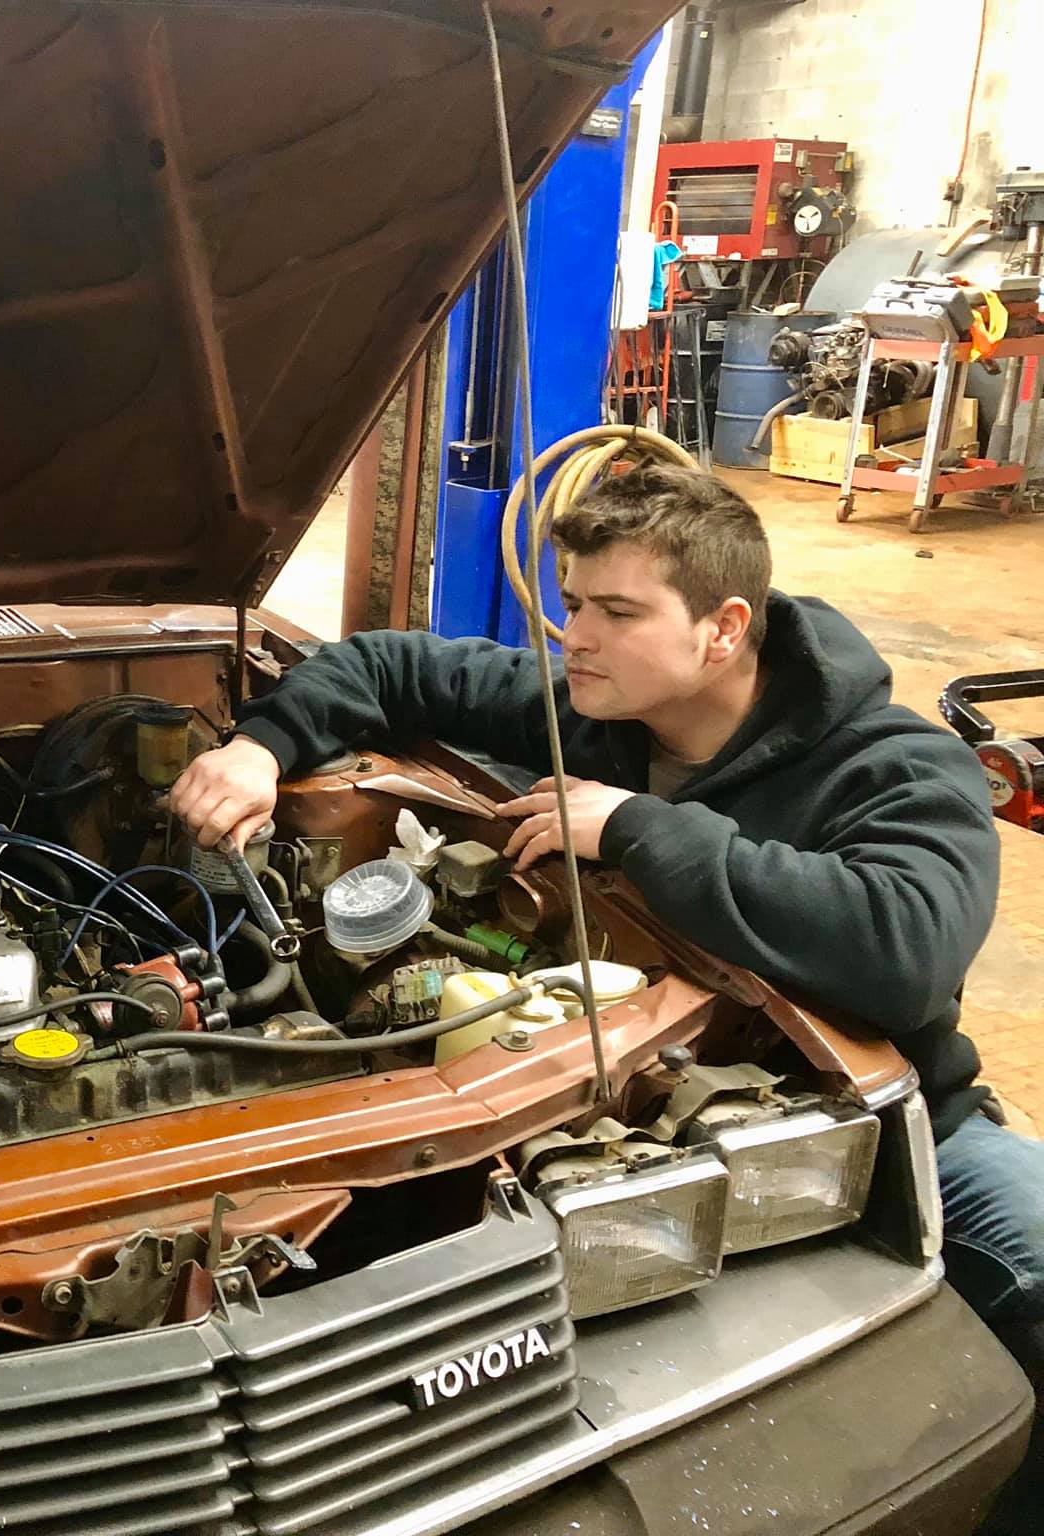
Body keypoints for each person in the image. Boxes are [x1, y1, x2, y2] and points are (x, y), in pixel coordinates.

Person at [171, 465, 1040, 1531]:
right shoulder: (599, 704)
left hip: (882, 1129)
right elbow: (384, 665)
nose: (573, 636)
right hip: (624, 1121)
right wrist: (258, 749)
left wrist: (636, 828)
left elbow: (906, 948)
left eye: (616, 613)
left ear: (723, 629)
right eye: (572, 602)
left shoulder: (895, 767)